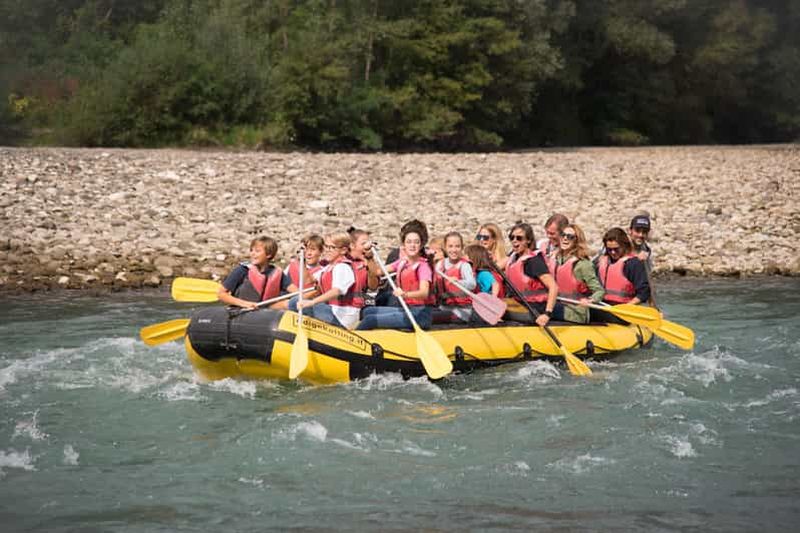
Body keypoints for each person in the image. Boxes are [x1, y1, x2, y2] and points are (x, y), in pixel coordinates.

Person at [357, 225, 435, 330]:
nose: (412, 245)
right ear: (403, 245)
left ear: (421, 245)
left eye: (416, 242)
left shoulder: (423, 267)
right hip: (407, 309)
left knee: (370, 320)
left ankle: (354, 341)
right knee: (368, 311)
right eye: (409, 242)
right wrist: (370, 257)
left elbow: (424, 293)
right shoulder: (402, 262)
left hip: (420, 315)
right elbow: (378, 272)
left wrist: (405, 294)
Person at [289, 232, 360, 329]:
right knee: (295, 301)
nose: (326, 250)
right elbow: (308, 281)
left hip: (342, 316)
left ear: (343, 250)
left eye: (331, 248)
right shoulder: (328, 267)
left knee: (295, 301)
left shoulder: (342, 267)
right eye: (326, 247)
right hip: (332, 310)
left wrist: (312, 302)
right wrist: (302, 260)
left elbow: (336, 291)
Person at [218, 236, 295, 309]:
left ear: (269, 254)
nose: (252, 253)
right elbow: (221, 294)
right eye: (251, 250)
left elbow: (297, 292)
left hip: (265, 310)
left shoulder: (276, 273)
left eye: (257, 251)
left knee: (292, 303)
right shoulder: (242, 270)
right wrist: (244, 303)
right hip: (242, 310)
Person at [548, 224, 605, 324]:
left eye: (570, 237)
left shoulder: (583, 264)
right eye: (563, 235)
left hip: (575, 311)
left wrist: (590, 301)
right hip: (556, 305)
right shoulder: (553, 259)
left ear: (576, 241)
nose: (565, 238)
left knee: (542, 310)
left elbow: (599, 291)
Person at [505, 222, 558, 326]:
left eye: (519, 238)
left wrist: (547, 314)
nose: (515, 241)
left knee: (497, 309)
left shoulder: (534, 261)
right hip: (520, 304)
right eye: (512, 237)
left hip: (534, 309)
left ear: (528, 240)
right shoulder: (514, 258)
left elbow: (553, 287)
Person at [593, 228, 650, 323]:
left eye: (616, 249)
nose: (613, 252)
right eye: (609, 249)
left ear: (624, 246)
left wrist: (628, 306)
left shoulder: (633, 264)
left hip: (622, 313)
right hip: (601, 307)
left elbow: (644, 293)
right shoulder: (600, 262)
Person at [434, 232, 476, 323]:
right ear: (445, 247)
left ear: (462, 248)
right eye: (450, 246)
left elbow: (472, 284)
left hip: (462, 311)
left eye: (457, 246)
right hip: (444, 307)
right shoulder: (439, 265)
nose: (454, 250)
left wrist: (459, 281)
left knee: (431, 317)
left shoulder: (464, 265)